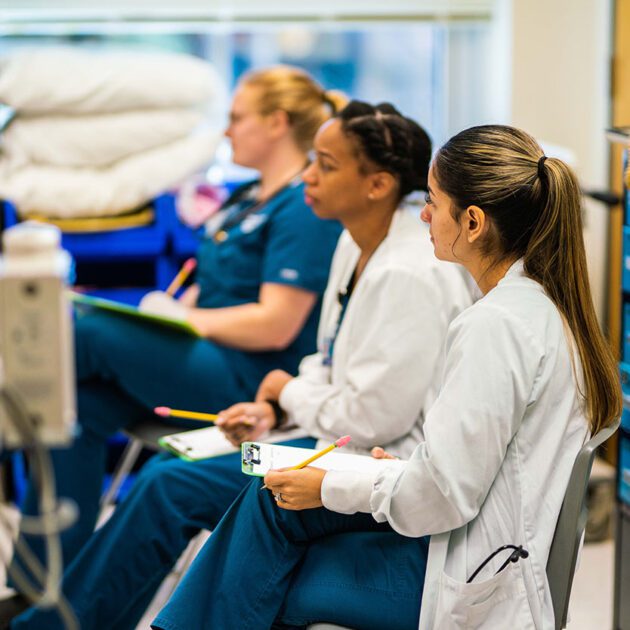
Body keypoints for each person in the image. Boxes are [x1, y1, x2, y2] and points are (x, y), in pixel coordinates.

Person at [10, 102, 474, 630]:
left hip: (376, 462)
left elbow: (373, 421)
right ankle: (52, 611)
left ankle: (54, 626)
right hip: (327, 432)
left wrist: (284, 390)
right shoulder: (355, 241)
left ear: (377, 184)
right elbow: (328, 356)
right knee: (163, 468)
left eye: (325, 164)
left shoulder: (408, 272)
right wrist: (272, 408)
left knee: (169, 484)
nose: (308, 176)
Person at [150, 124, 622, 630]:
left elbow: (440, 499)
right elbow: (474, 473)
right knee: (267, 517)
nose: (421, 214)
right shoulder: (541, 310)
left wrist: (331, 487)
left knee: (254, 579)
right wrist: (393, 471)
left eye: (433, 202)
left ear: (473, 222)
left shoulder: (495, 327)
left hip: (461, 585)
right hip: (473, 553)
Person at [12, 66, 345, 577]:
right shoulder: (241, 200)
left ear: (277, 122)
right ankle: (44, 582)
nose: (226, 130)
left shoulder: (302, 206)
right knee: (75, 411)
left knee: (84, 329)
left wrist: (187, 319)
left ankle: (9, 398)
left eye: (237, 118)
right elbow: (209, 279)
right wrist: (173, 309)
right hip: (202, 361)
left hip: (251, 383)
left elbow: (275, 324)